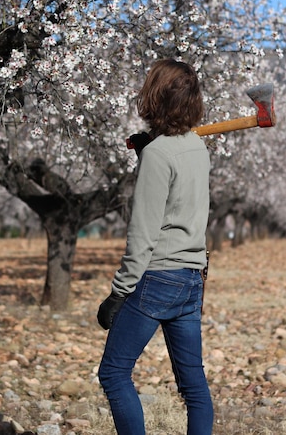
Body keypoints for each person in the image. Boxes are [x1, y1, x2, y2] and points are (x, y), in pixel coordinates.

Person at [97, 58, 213, 435]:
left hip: (157, 277)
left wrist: (118, 293)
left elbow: (143, 233)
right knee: (193, 385)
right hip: (192, 278)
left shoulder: (158, 155)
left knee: (113, 373)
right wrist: (148, 151)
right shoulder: (197, 148)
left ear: (155, 99)